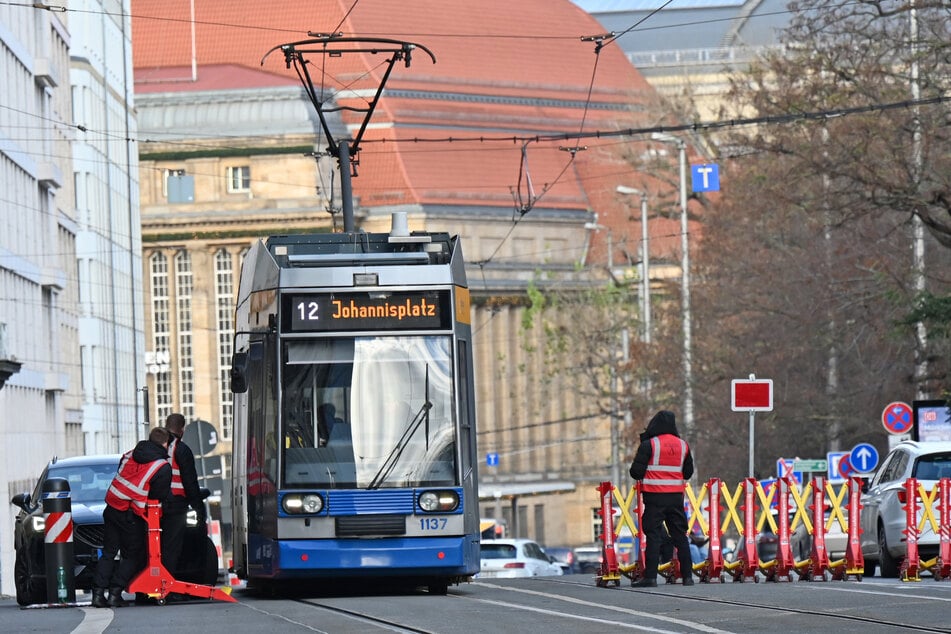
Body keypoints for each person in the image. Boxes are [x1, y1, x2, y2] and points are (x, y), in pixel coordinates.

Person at [92, 427, 172, 608]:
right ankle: (115, 593)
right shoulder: (161, 466)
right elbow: (158, 495)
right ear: (165, 444)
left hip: (112, 508)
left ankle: (97, 595)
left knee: (108, 552)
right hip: (131, 514)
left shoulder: (129, 454)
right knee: (131, 555)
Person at [629, 410, 695, 588]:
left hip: (654, 497)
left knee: (653, 535)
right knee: (680, 535)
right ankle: (687, 577)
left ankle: (650, 577)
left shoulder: (650, 445)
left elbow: (635, 472)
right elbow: (688, 472)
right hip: (675, 498)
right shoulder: (683, 446)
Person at [161, 413, 206, 579]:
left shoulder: (153, 446)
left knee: (154, 547)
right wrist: (199, 509)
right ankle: (169, 586)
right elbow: (190, 483)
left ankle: (149, 586)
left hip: (150, 506)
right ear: (182, 429)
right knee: (172, 548)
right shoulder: (181, 449)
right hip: (175, 505)